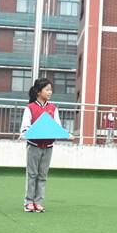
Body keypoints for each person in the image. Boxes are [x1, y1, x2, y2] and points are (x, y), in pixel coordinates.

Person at [20, 78, 73, 213]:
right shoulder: (30, 108)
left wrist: (67, 135)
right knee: (32, 174)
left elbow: (57, 127)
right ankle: (28, 202)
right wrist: (26, 133)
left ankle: (38, 202)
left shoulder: (53, 108)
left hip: (48, 146)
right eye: (47, 89)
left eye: (51, 90)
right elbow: (25, 128)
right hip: (33, 146)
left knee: (43, 175)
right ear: (38, 91)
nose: (50, 92)